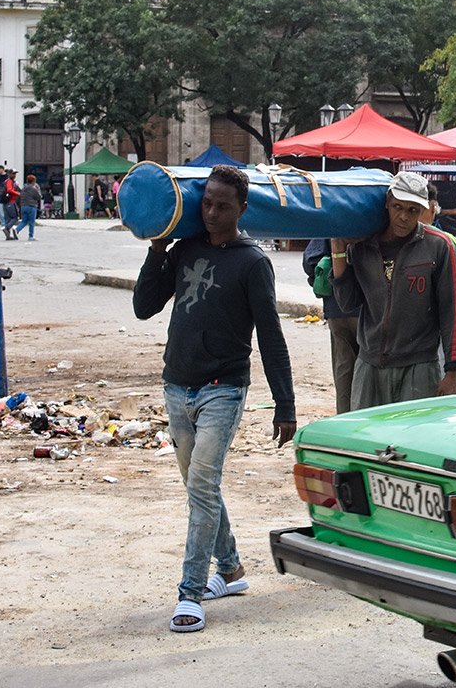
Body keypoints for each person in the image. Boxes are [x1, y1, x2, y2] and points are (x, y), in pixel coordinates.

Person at [132, 164, 296, 634]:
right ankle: (232, 570)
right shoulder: (186, 250)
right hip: (176, 384)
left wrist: (284, 405)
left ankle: (190, 593)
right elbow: (144, 307)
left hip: (223, 390)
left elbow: (271, 336)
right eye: (206, 202)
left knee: (201, 487)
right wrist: (157, 250)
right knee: (200, 488)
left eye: (223, 205)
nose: (211, 212)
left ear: (242, 209)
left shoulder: (252, 262)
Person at [330, 171, 456, 409]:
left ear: (424, 210)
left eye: (413, 210)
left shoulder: (438, 247)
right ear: (387, 203)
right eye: (397, 207)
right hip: (369, 364)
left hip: (420, 366)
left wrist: (453, 372)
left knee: (413, 438)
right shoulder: (363, 246)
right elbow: (348, 302)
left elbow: (452, 311)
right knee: (367, 438)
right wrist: (338, 248)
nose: (404, 216)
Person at [302, 239, 361, 415]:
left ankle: (344, 422)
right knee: (368, 374)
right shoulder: (373, 218)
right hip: (369, 312)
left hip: (337, 311)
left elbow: (310, 260)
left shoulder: (333, 219)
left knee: (344, 370)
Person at [15, 174, 43, 241]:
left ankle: (16, 230)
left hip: (23, 206)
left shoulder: (24, 188)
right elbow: (39, 197)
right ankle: (31, 236)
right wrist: (38, 188)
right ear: (33, 181)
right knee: (31, 222)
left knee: (24, 221)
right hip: (31, 206)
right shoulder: (33, 189)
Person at [2, 169, 21, 240]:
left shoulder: (6, 181)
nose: (14, 175)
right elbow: (9, 190)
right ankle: (7, 229)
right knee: (15, 217)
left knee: (8, 218)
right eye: (13, 174)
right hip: (11, 201)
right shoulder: (10, 181)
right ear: (9, 174)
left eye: (15, 174)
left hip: (6, 202)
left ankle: (8, 235)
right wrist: (17, 193)